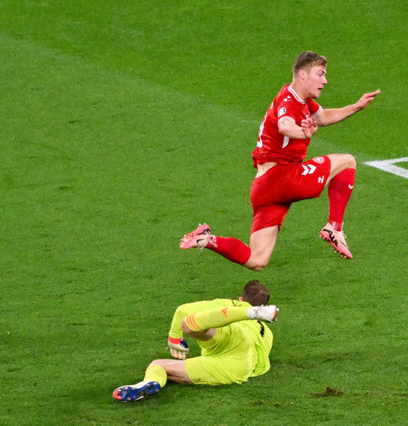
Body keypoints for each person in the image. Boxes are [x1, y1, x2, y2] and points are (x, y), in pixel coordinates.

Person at [180, 51, 380, 270]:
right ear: (302, 75)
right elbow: (285, 124)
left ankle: (207, 239)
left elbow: (322, 117)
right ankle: (334, 227)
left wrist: (357, 106)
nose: (325, 80)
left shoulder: (300, 99)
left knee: (257, 260)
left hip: (263, 188)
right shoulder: (289, 100)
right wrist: (302, 134)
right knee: (348, 161)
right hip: (283, 178)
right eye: (320, 74)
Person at [113, 280, 278, 402]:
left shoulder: (229, 304)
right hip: (239, 366)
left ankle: (150, 381)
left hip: (231, 336)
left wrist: (175, 337)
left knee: (187, 327)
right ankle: (148, 385)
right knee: (167, 359)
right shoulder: (267, 333)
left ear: (241, 299)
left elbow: (182, 310)